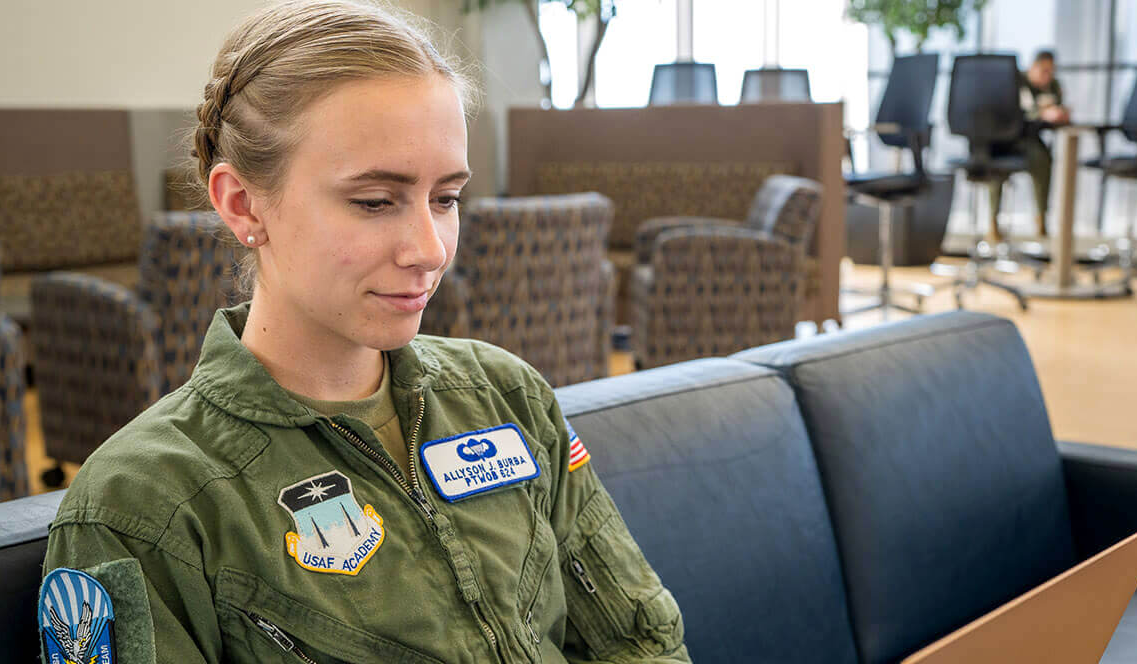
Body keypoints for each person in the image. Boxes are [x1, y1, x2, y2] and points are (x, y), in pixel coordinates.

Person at [39, 2, 690, 662]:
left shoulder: (508, 397)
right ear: (242, 203)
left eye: (446, 198)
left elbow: (639, 641)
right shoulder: (144, 504)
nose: (431, 249)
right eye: (376, 201)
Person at [987, 49, 1071, 242]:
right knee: (994, 165)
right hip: (1002, 140)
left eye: (1051, 72)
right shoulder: (1016, 80)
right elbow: (1015, 110)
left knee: (1043, 159)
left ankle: (1041, 221)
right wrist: (1042, 113)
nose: (1047, 76)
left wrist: (1060, 114)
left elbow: (1055, 109)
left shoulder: (1053, 85)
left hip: (1029, 140)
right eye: (1044, 71)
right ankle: (992, 223)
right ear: (1033, 67)